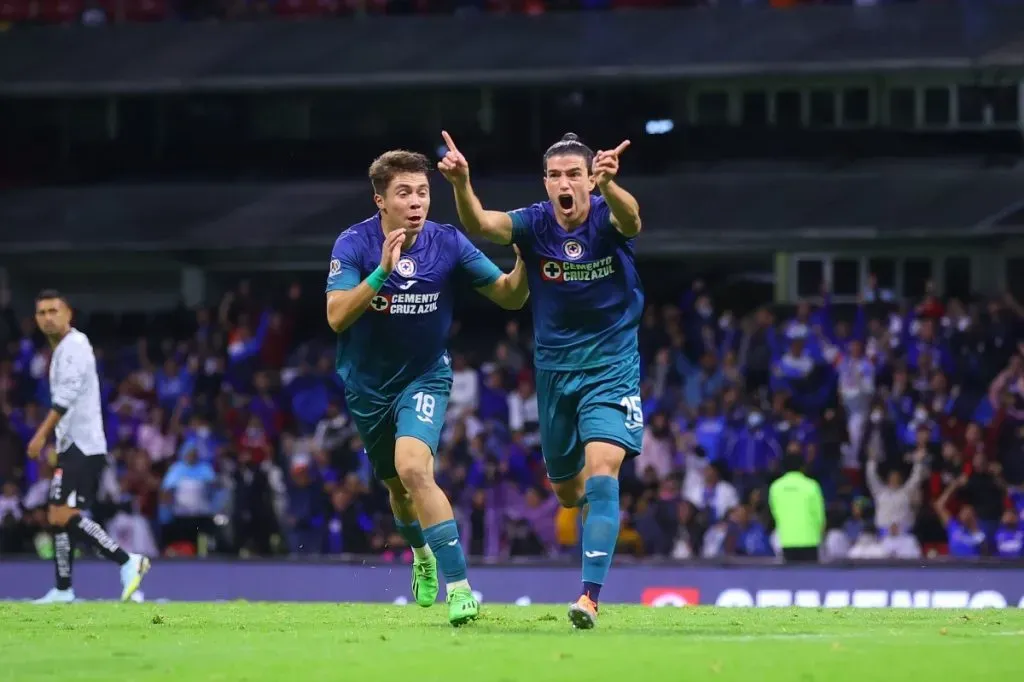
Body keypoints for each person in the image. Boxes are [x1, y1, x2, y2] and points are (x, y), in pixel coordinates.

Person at [439, 130, 643, 629]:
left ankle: (589, 597)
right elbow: (484, 224)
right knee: (568, 492)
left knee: (603, 471)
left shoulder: (605, 214)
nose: (564, 183)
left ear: (590, 179)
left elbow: (632, 218)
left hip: (611, 367)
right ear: (546, 183)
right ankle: (586, 549)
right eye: (556, 175)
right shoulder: (533, 224)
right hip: (554, 371)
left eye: (575, 174)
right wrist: (463, 184)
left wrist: (612, 187)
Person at [325, 150, 529, 627]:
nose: (416, 202)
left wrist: (523, 261)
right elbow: (336, 317)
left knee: (414, 467)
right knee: (398, 491)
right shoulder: (352, 244)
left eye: (422, 191)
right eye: (404, 193)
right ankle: (420, 552)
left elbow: (509, 296)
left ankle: (460, 589)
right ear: (381, 201)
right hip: (368, 387)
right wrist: (381, 271)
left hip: (425, 375)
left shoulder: (448, 242)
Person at [28, 290, 150, 604]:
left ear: (69, 314)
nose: (48, 317)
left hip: (84, 446)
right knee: (58, 516)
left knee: (64, 513)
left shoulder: (76, 346)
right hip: (72, 446)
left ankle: (127, 561)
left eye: (54, 310)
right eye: (42, 313)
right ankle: (63, 589)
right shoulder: (61, 350)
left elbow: (65, 400)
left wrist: (41, 435)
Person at [768, 454, 825, 563]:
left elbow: (775, 512)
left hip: (787, 540)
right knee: (810, 577)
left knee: (790, 578)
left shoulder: (775, 487)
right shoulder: (812, 486)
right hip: (810, 540)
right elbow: (819, 516)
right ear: (802, 467)